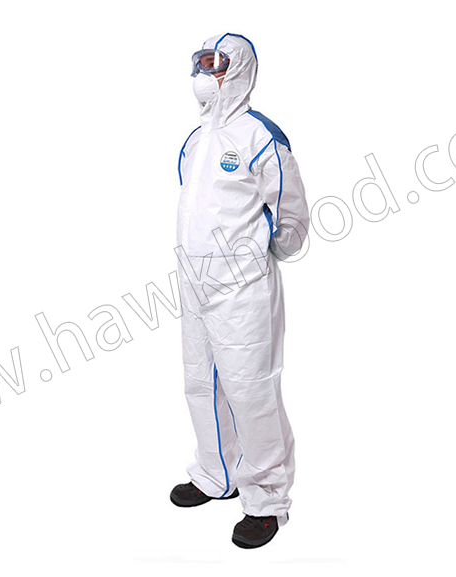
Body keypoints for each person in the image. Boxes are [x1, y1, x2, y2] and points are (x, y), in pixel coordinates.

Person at [170, 33, 310, 549]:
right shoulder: (195, 139)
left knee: (250, 390)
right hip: (192, 281)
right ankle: (217, 473)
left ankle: (267, 500)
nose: (206, 74)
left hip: (242, 287)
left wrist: (264, 254)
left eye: (217, 64)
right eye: (201, 63)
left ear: (240, 69)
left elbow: (290, 212)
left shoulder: (260, 135)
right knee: (200, 381)